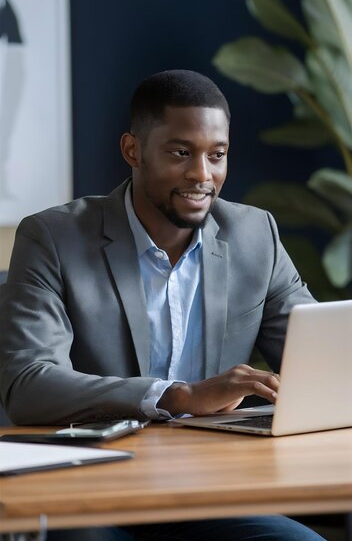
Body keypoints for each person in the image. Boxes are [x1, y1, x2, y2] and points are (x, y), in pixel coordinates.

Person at [0, 70, 325, 541]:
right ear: (133, 150)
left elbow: (319, 364)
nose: (202, 175)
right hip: (89, 490)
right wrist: (178, 396)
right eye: (180, 153)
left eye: (217, 155)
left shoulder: (256, 237)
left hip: (210, 492)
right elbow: (29, 385)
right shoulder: (53, 238)